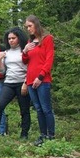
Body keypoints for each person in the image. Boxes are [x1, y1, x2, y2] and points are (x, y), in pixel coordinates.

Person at [0, 27, 31, 139]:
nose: (11, 40)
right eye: (9, 38)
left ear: (19, 38)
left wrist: (26, 83)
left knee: (24, 109)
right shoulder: (6, 53)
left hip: (22, 83)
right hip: (9, 83)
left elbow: (30, 68)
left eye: (13, 38)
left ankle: (24, 134)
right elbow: (2, 71)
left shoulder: (24, 51)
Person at [22, 15, 55, 146]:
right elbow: (25, 61)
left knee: (46, 108)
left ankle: (51, 135)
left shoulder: (47, 39)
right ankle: (43, 135)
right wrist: (24, 51)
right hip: (30, 79)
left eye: (30, 26)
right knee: (38, 109)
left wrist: (40, 77)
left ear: (36, 24)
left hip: (43, 79)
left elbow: (49, 60)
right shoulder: (29, 43)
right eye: (26, 27)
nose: (28, 29)